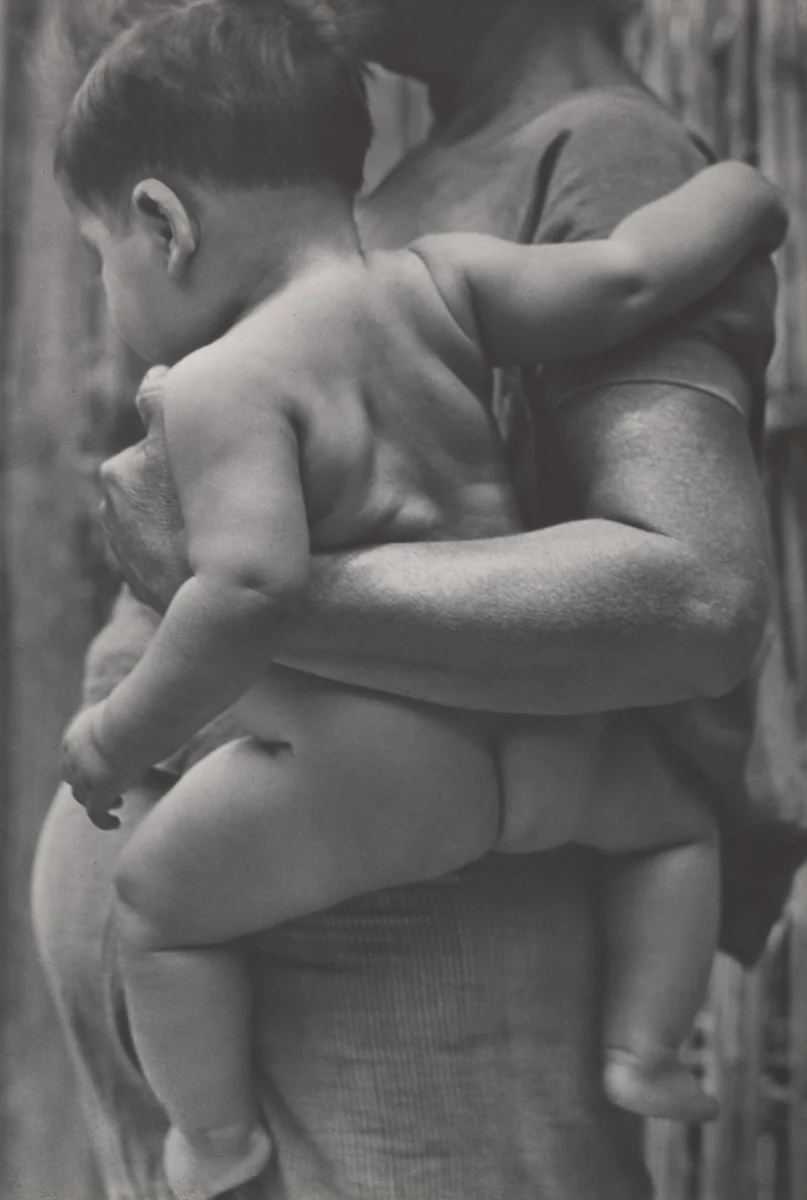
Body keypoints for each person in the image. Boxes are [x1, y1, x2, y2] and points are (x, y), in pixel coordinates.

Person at [33, 2, 802, 1198]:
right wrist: (753, 194)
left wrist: (163, 669)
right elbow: (631, 272)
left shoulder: (597, 152)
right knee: (661, 824)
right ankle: (645, 1049)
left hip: (405, 1004)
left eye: (99, 257)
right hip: (370, 911)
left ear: (160, 225)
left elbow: (694, 598)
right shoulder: (412, 248)